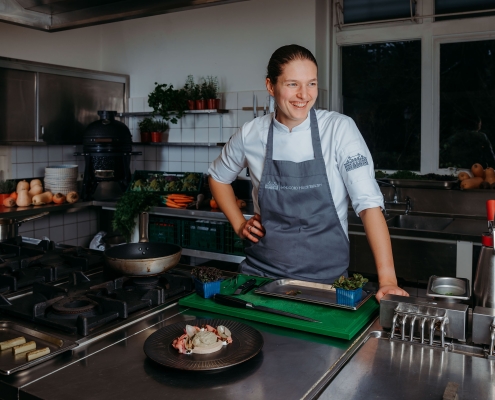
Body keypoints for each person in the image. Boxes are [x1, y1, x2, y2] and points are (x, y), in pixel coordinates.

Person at [208, 44, 408, 301]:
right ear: (271, 86)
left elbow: (369, 205)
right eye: (292, 84)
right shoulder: (252, 133)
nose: (304, 95)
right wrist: (239, 224)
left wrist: (388, 280)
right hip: (260, 279)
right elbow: (218, 176)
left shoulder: (338, 130)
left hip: (327, 285)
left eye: (311, 84)